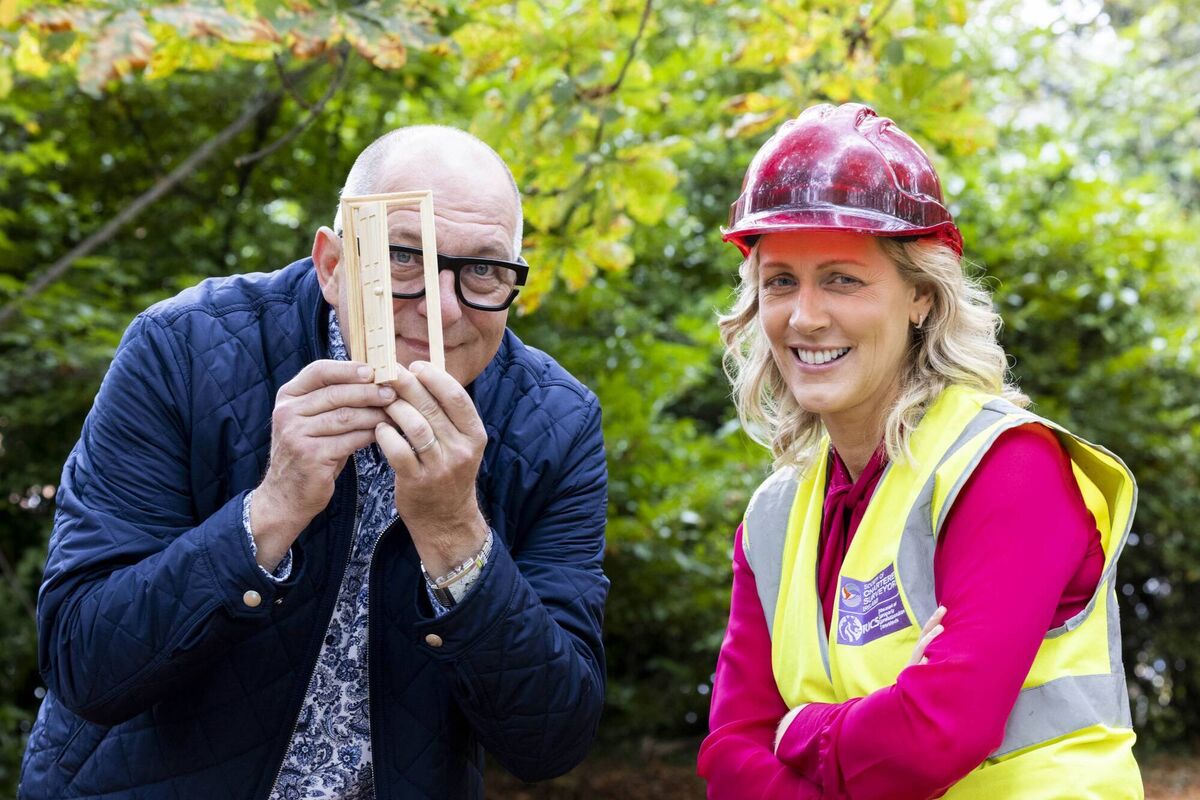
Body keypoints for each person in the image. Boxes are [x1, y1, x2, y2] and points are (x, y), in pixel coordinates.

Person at [20, 126, 609, 800]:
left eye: (482, 269)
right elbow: (83, 660)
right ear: (332, 265)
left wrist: (455, 536)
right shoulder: (183, 350)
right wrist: (270, 511)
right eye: (403, 258)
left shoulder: (557, 422)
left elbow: (551, 741)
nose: (443, 309)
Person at [696, 103, 1141, 798]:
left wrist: (802, 730)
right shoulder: (774, 517)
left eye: (842, 279)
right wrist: (870, 724)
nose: (805, 315)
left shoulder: (1007, 467)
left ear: (922, 300)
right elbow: (729, 753)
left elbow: (936, 734)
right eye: (781, 281)